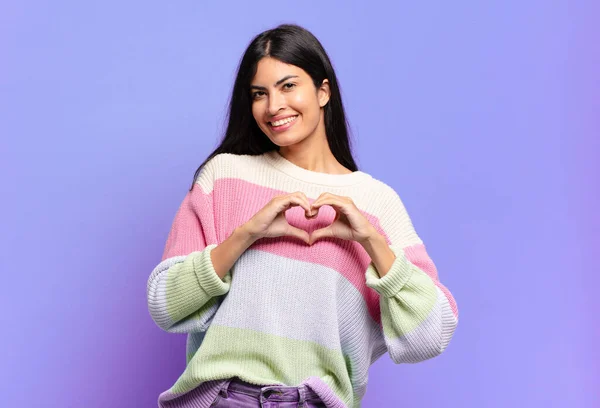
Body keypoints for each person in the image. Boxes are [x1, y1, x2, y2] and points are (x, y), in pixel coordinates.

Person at [146, 23, 459, 408]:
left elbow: (431, 335)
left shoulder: (376, 202)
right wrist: (247, 234)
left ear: (323, 91)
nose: (274, 105)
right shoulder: (223, 176)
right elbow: (164, 304)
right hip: (227, 398)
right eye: (259, 94)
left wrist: (371, 241)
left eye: (288, 86)